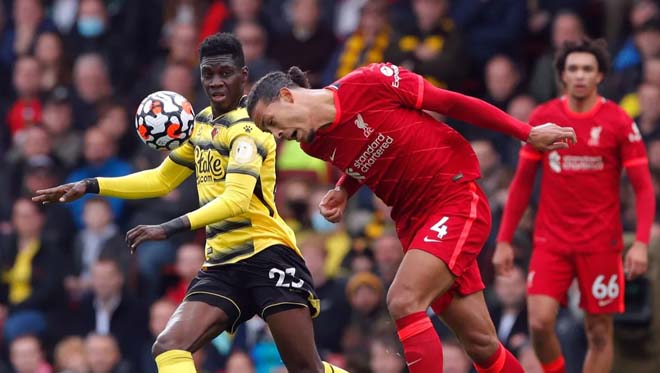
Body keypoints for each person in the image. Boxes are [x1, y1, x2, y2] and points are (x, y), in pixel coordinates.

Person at [33, 33, 348, 373]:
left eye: (224, 73)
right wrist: (91, 185)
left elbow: (237, 199)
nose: (215, 81)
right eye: (207, 74)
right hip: (223, 263)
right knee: (169, 346)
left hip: (267, 253)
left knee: (306, 368)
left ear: (243, 76)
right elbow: (161, 178)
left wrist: (167, 228)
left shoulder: (251, 130)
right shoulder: (200, 124)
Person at [246, 62, 576, 372]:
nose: (276, 134)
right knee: (481, 344)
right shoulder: (313, 144)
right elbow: (368, 152)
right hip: (413, 224)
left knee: (403, 300)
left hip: (453, 197)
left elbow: (452, 103)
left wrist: (525, 132)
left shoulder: (370, 81)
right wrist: (344, 190)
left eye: (272, 122)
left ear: (287, 96)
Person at [493, 38, 656, 373]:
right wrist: (504, 240)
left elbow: (642, 188)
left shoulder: (619, 122)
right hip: (551, 241)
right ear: (563, 76)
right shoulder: (545, 117)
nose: (580, 75)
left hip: (601, 243)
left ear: (599, 76)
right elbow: (522, 183)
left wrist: (640, 243)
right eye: (573, 69)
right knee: (538, 322)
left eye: (587, 69)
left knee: (598, 333)